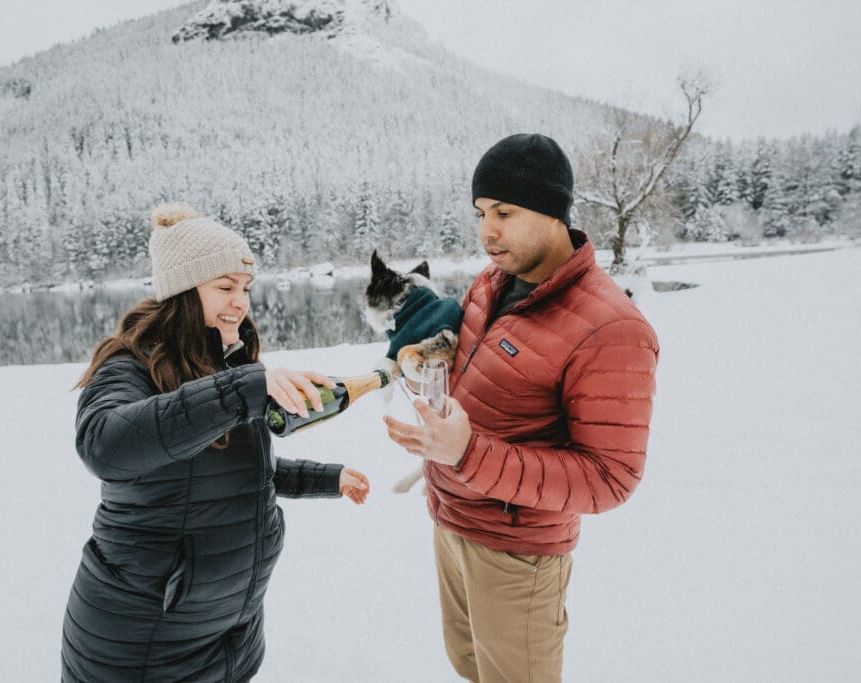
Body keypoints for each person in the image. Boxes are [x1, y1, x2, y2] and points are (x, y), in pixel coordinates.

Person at [384, 133, 659, 683]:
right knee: (468, 666)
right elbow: (479, 383)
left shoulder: (614, 328)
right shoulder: (490, 285)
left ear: (553, 212)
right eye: (482, 212)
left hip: (518, 555)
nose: (487, 230)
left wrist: (467, 452)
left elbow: (611, 479)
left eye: (504, 212)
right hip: (451, 522)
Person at [61, 203, 370, 682]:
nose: (240, 303)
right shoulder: (129, 365)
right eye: (224, 288)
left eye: (245, 288)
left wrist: (327, 478)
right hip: (143, 647)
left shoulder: (224, 361)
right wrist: (244, 388)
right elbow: (104, 445)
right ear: (183, 291)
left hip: (230, 640)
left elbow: (236, 469)